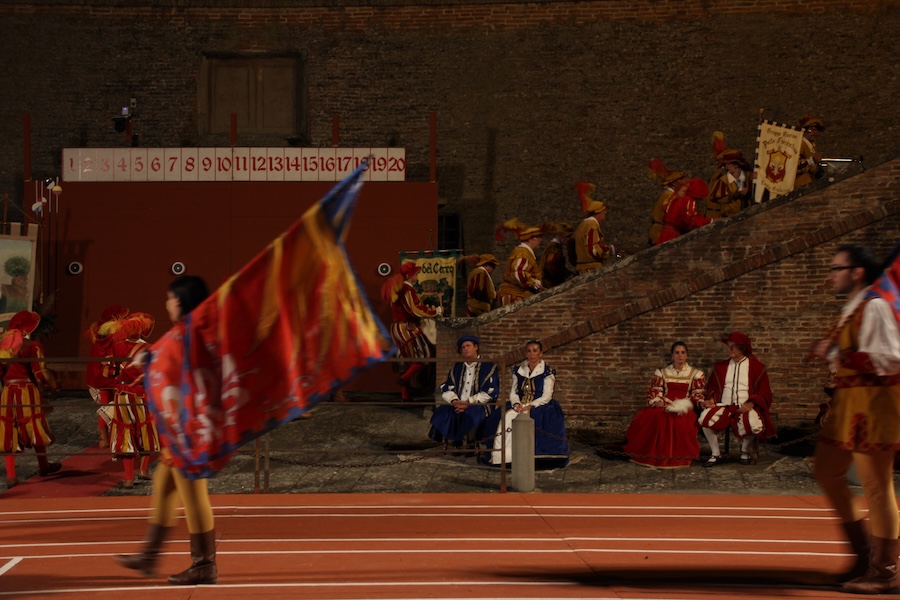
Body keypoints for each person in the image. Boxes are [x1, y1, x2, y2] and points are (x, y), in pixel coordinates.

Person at [808, 244, 900, 593]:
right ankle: (862, 555)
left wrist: (834, 351)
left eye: (837, 268)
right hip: (849, 404)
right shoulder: (852, 308)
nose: (831, 274)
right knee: (826, 470)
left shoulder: (874, 306)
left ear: (857, 272)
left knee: (877, 487)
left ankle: (884, 571)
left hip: (874, 404)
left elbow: (891, 358)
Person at [116, 275, 219, 585]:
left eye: (170, 298)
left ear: (181, 301)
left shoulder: (193, 335)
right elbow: (163, 355)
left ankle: (204, 565)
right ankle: (149, 555)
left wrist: (148, 362)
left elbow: (175, 363)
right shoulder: (185, 333)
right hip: (182, 430)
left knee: (194, 496)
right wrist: (147, 360)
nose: (167, 303)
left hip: (190, 430)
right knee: (164, 485)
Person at [0, 310, 60, 488]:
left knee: (9, 428)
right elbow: (40, 372)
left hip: (8, 391)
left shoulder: (4, 346)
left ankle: (11, 475)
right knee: (34, 426)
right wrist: (50, 384)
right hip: (26, 390)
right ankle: (43, 466)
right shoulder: (33, 345)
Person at [485, 340, 569, 467]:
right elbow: (513, 392)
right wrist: (516, 404)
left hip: (540, 404)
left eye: (535, 351)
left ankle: (534, 455)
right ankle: (504, 456)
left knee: (538, 418)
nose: (531, 354)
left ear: (540, 353)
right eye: (529, 351)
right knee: (501, 417)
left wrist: (532, 405)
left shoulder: (547, 371)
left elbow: (547, 395)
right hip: (520, 403)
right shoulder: (518, 370)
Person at [623, 341, 706, 468]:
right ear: (672, 355)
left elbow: (696, 394)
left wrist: (699, 402)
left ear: (687, 355)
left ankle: (678, 455)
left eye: (683, 353)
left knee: (680, 420)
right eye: (677, 353)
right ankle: (653, 454)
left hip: (684, 405)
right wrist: (657, 401)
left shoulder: (696, 373)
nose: (680, 356)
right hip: (664, 403)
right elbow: (656, 390)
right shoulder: (662, 372)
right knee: (654, 417)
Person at [699, 332, 775, 467]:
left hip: (745, 405)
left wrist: (751, 403)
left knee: (754, 425)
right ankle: (716, 453)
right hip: (724, 405)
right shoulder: (720, 367)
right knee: (705, 418)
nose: (730, 350)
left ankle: (744, 451)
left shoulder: (757, 368)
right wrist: (711, 399)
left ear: (742, 348)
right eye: (729, 347)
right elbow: (712, 388)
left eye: (733, 347)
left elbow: (764, 392)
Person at [105, 312, 159, 488]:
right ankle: (143, 470)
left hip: (122, 394)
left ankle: (128, 479)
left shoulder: (117, 346)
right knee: (146, 431)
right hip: (141, 394)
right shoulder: (150, 348)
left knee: (125, 433)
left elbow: (108, 372)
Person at [382, 262, 442, 399]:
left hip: (397, 328)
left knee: (406, 360)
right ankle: (404, 379)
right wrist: (436, 311)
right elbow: (413, 309)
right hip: (406, 327)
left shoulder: (398, 289)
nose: (417, 275)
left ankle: (405, 396)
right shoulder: (407, 289)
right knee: (424, 355)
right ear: (410, 275)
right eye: (415, 273)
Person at [428, 335, 499, 449]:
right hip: (458, 404)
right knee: (442, 411)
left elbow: (490, 392)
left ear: (476, 347)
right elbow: (448, 387)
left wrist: (468, 402)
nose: (465, 349)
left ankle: (470, 443)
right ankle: (457, 442)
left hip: (478, 404)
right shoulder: (458, 367)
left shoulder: (488, 366)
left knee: (472, 414)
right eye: (463, 347)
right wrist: (455, 400)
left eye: (468, 346)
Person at [85, 304, 129, 449]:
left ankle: (103, 437)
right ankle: (115, 437)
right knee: (116, 406)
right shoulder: (117, 339)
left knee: (105, 407)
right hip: (113, 377)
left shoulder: (98, 340)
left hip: (100, 379)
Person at [495, 219, 544, 305]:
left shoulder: (525, 252)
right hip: (515, 295)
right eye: (537, 238)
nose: (540, 240)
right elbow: (518, 273)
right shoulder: (523, 253)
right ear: (529, 240)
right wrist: (534, 284)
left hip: (518, 294)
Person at [655, 178, 711, 245]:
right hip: (673, 234)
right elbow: (691, 219)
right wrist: (710, 221)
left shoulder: (675, 198)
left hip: (666, 232)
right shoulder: (688, 200)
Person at [574, 182, 614, 273]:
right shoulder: (592, 225)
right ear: (598, 212)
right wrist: (606, 251)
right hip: (591, 268)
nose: (605, 214)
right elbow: (592, 249)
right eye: (604, 212)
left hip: (583, 267)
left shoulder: (582, 225)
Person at [646, 159, 686, 245]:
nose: (683, 182)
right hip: (660, 232)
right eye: (680, 179)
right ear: (673, 183)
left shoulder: (670, 194)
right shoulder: (668, 195)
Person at [706, 148, 752, 218]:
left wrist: (748, 190)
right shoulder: (723, 180)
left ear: (736, 165)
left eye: (728, 164)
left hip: (746, 214)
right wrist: (735, 194)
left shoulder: (747, 176)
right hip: (729, 215)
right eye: (725, 164)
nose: (726, 166)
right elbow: (716, 197)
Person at [794, 114, 826, 190]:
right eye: (811, 130)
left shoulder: (812, 146)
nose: (814, 133)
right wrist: (812, 160)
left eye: (816, 130)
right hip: (800, 184)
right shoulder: (800, 144)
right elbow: (794, 166)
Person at [539, 222, 574, 288]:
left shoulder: (554, 247)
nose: (568, 241)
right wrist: (559, 277)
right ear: (563, 237)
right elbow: (550, 267)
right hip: (551, 283)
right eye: (568, 237)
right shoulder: (554, 248)